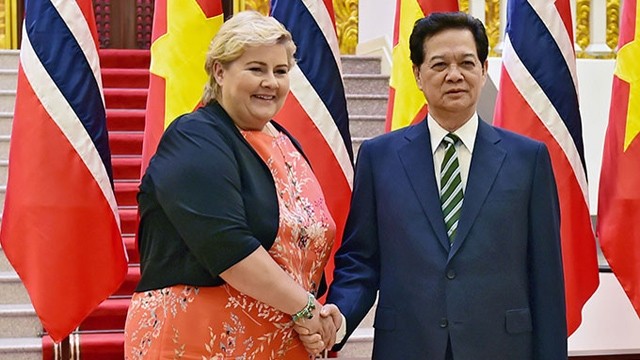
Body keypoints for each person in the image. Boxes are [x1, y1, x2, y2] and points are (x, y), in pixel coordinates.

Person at [325, 11, 568, 359]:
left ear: (483, 71)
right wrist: (341, 315)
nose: (455, 75)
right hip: (408, 347)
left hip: (502, 348)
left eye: (467, 63)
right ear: (418, 75)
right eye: (439, 65)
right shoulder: (380, 158)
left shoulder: (528, 159)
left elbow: (546, 277)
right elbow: (361, 259)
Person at [124, 11, 340, 359]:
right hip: (199, 343)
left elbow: (303, 252)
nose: (270, 81)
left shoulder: (287, 144)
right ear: (220, 72)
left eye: (280, 71)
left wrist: (323, 315)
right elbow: (226, 245)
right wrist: (306, 309)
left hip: (282, 343)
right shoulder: (193, 138)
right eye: (256, 68)